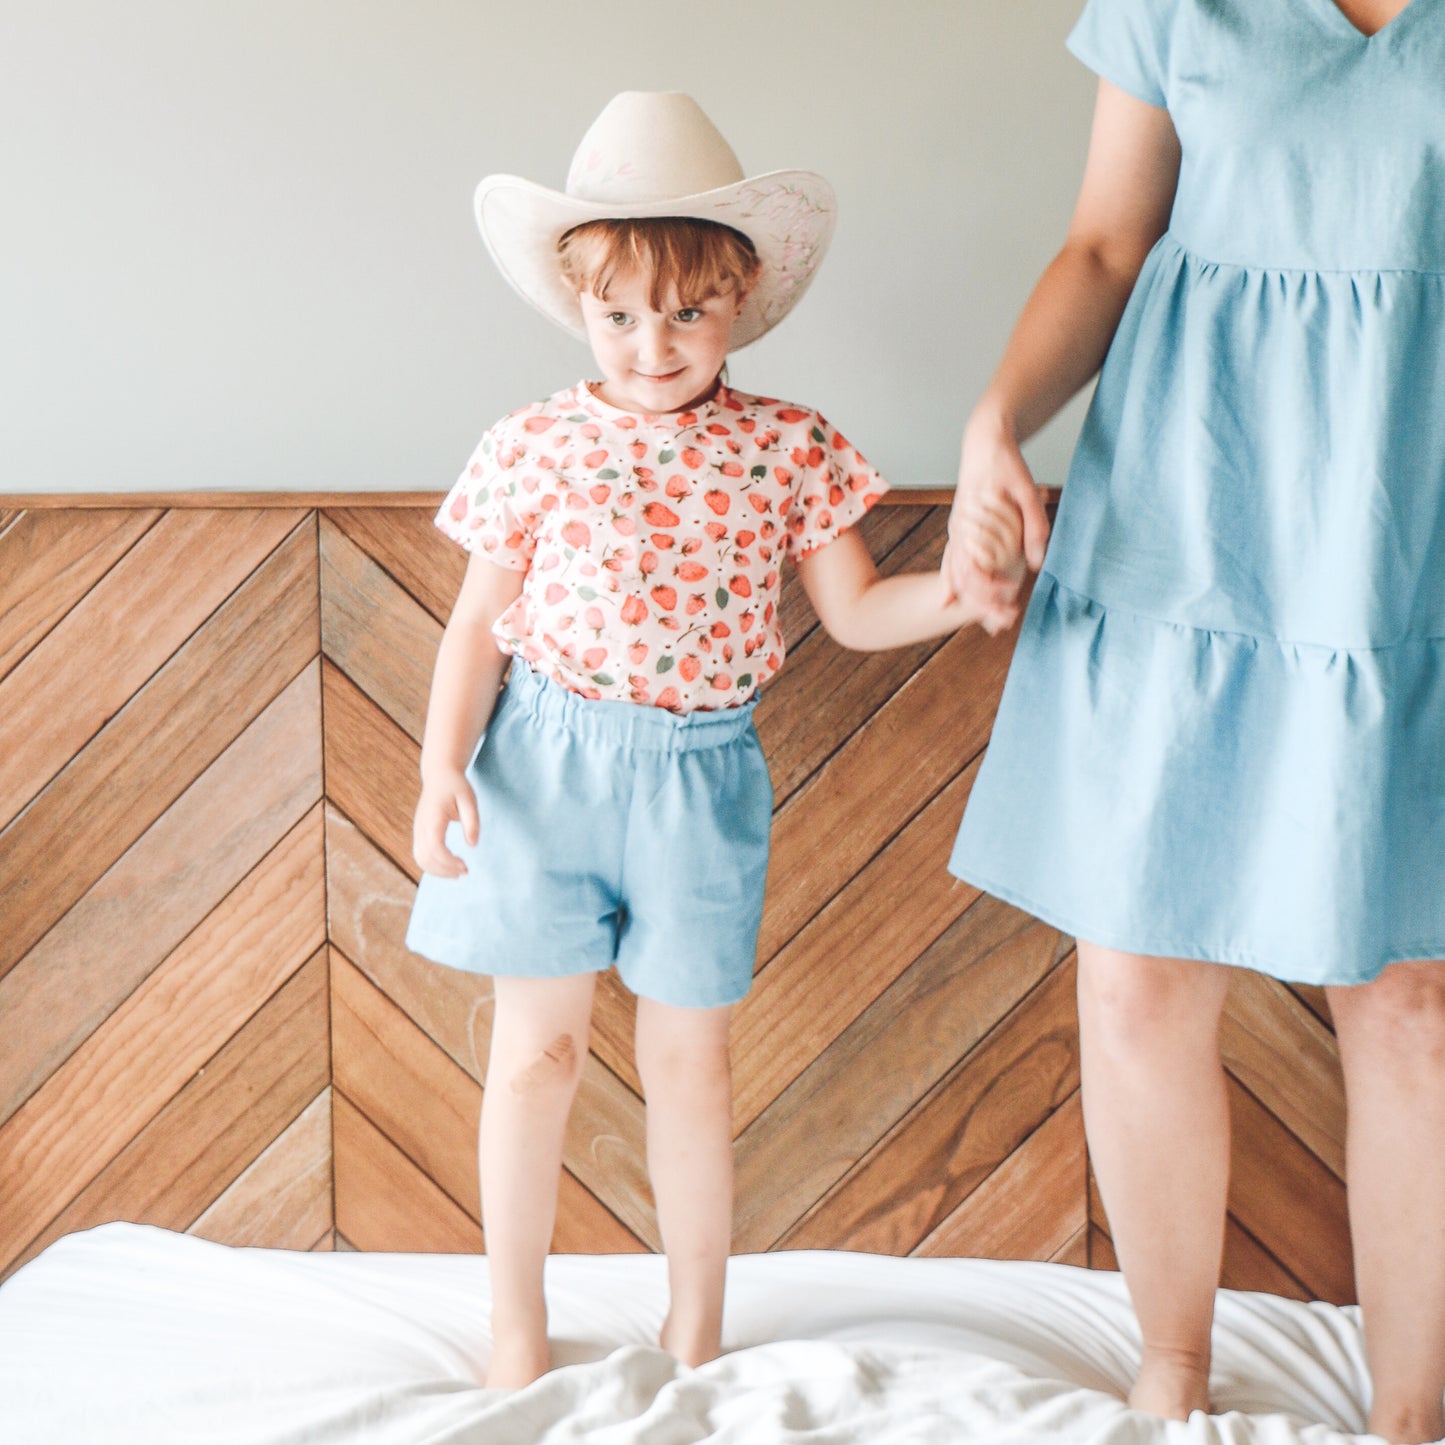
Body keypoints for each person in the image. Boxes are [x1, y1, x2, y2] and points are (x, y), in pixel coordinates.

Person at [406, 91, 1016, 1391]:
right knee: (536, 1053)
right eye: (620, 312)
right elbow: (476, 630)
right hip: (542, 763)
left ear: (738, 295)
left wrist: (961, 591)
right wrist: (438, 764)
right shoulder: (533, 444)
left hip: (700, 779)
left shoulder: (786, 446)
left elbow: (852, 612)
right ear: (579, 303)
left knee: (688, 1064)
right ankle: (515, 1318)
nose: (652, 341)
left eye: (687, 310)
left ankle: (693, 1327)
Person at [943, 2, 1445, 1440]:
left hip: (1406, 519)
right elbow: (1106, 242)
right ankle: (1169, 1373)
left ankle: (1407, 1411)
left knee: (1410, 1001)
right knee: (1139, 970)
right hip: (1190, 495)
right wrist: (995, 422)